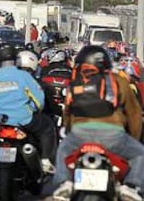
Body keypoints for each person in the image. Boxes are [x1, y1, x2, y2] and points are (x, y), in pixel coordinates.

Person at [52, 45, 144, 201]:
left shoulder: (76, 81)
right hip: (113, 136)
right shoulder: (118, 81)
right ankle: (131, 187)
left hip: (79, 135)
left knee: (62, 150)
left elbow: (67, 112)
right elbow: (134, 114)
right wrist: (133, 138)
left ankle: (64, 183)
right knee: (140, 153)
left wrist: (69, 133)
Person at [0, 43, 58, 174]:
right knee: (48, 126)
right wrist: (33, 109)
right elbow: (39, 100)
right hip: (24, 119)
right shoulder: (24, 76)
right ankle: (45, 160)